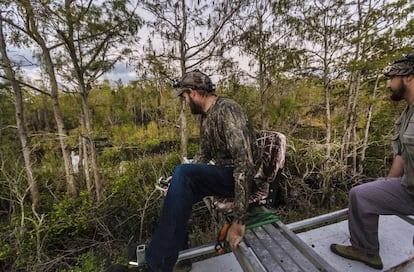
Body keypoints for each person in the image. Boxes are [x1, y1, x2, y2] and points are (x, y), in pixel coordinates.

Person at [144, 70, 261, 272]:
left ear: (193, 93)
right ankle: (180, 260)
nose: (185, 102)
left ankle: (156, 266)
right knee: (176, 188)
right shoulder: (207, 116)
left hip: (241, 179)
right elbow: (204, 154)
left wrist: (239, 220)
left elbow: (244, 164)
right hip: (225, 175)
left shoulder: (228, 111)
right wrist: (180, 179)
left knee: (184, 174)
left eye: (185, 97)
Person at [330, 53, 414, 270]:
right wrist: (387, 186)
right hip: (410, 188)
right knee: (361, 195)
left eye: (392, 77)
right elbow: (402, 155)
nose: (388, 84)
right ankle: (366, 250)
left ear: (409, 78)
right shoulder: (408, 113)